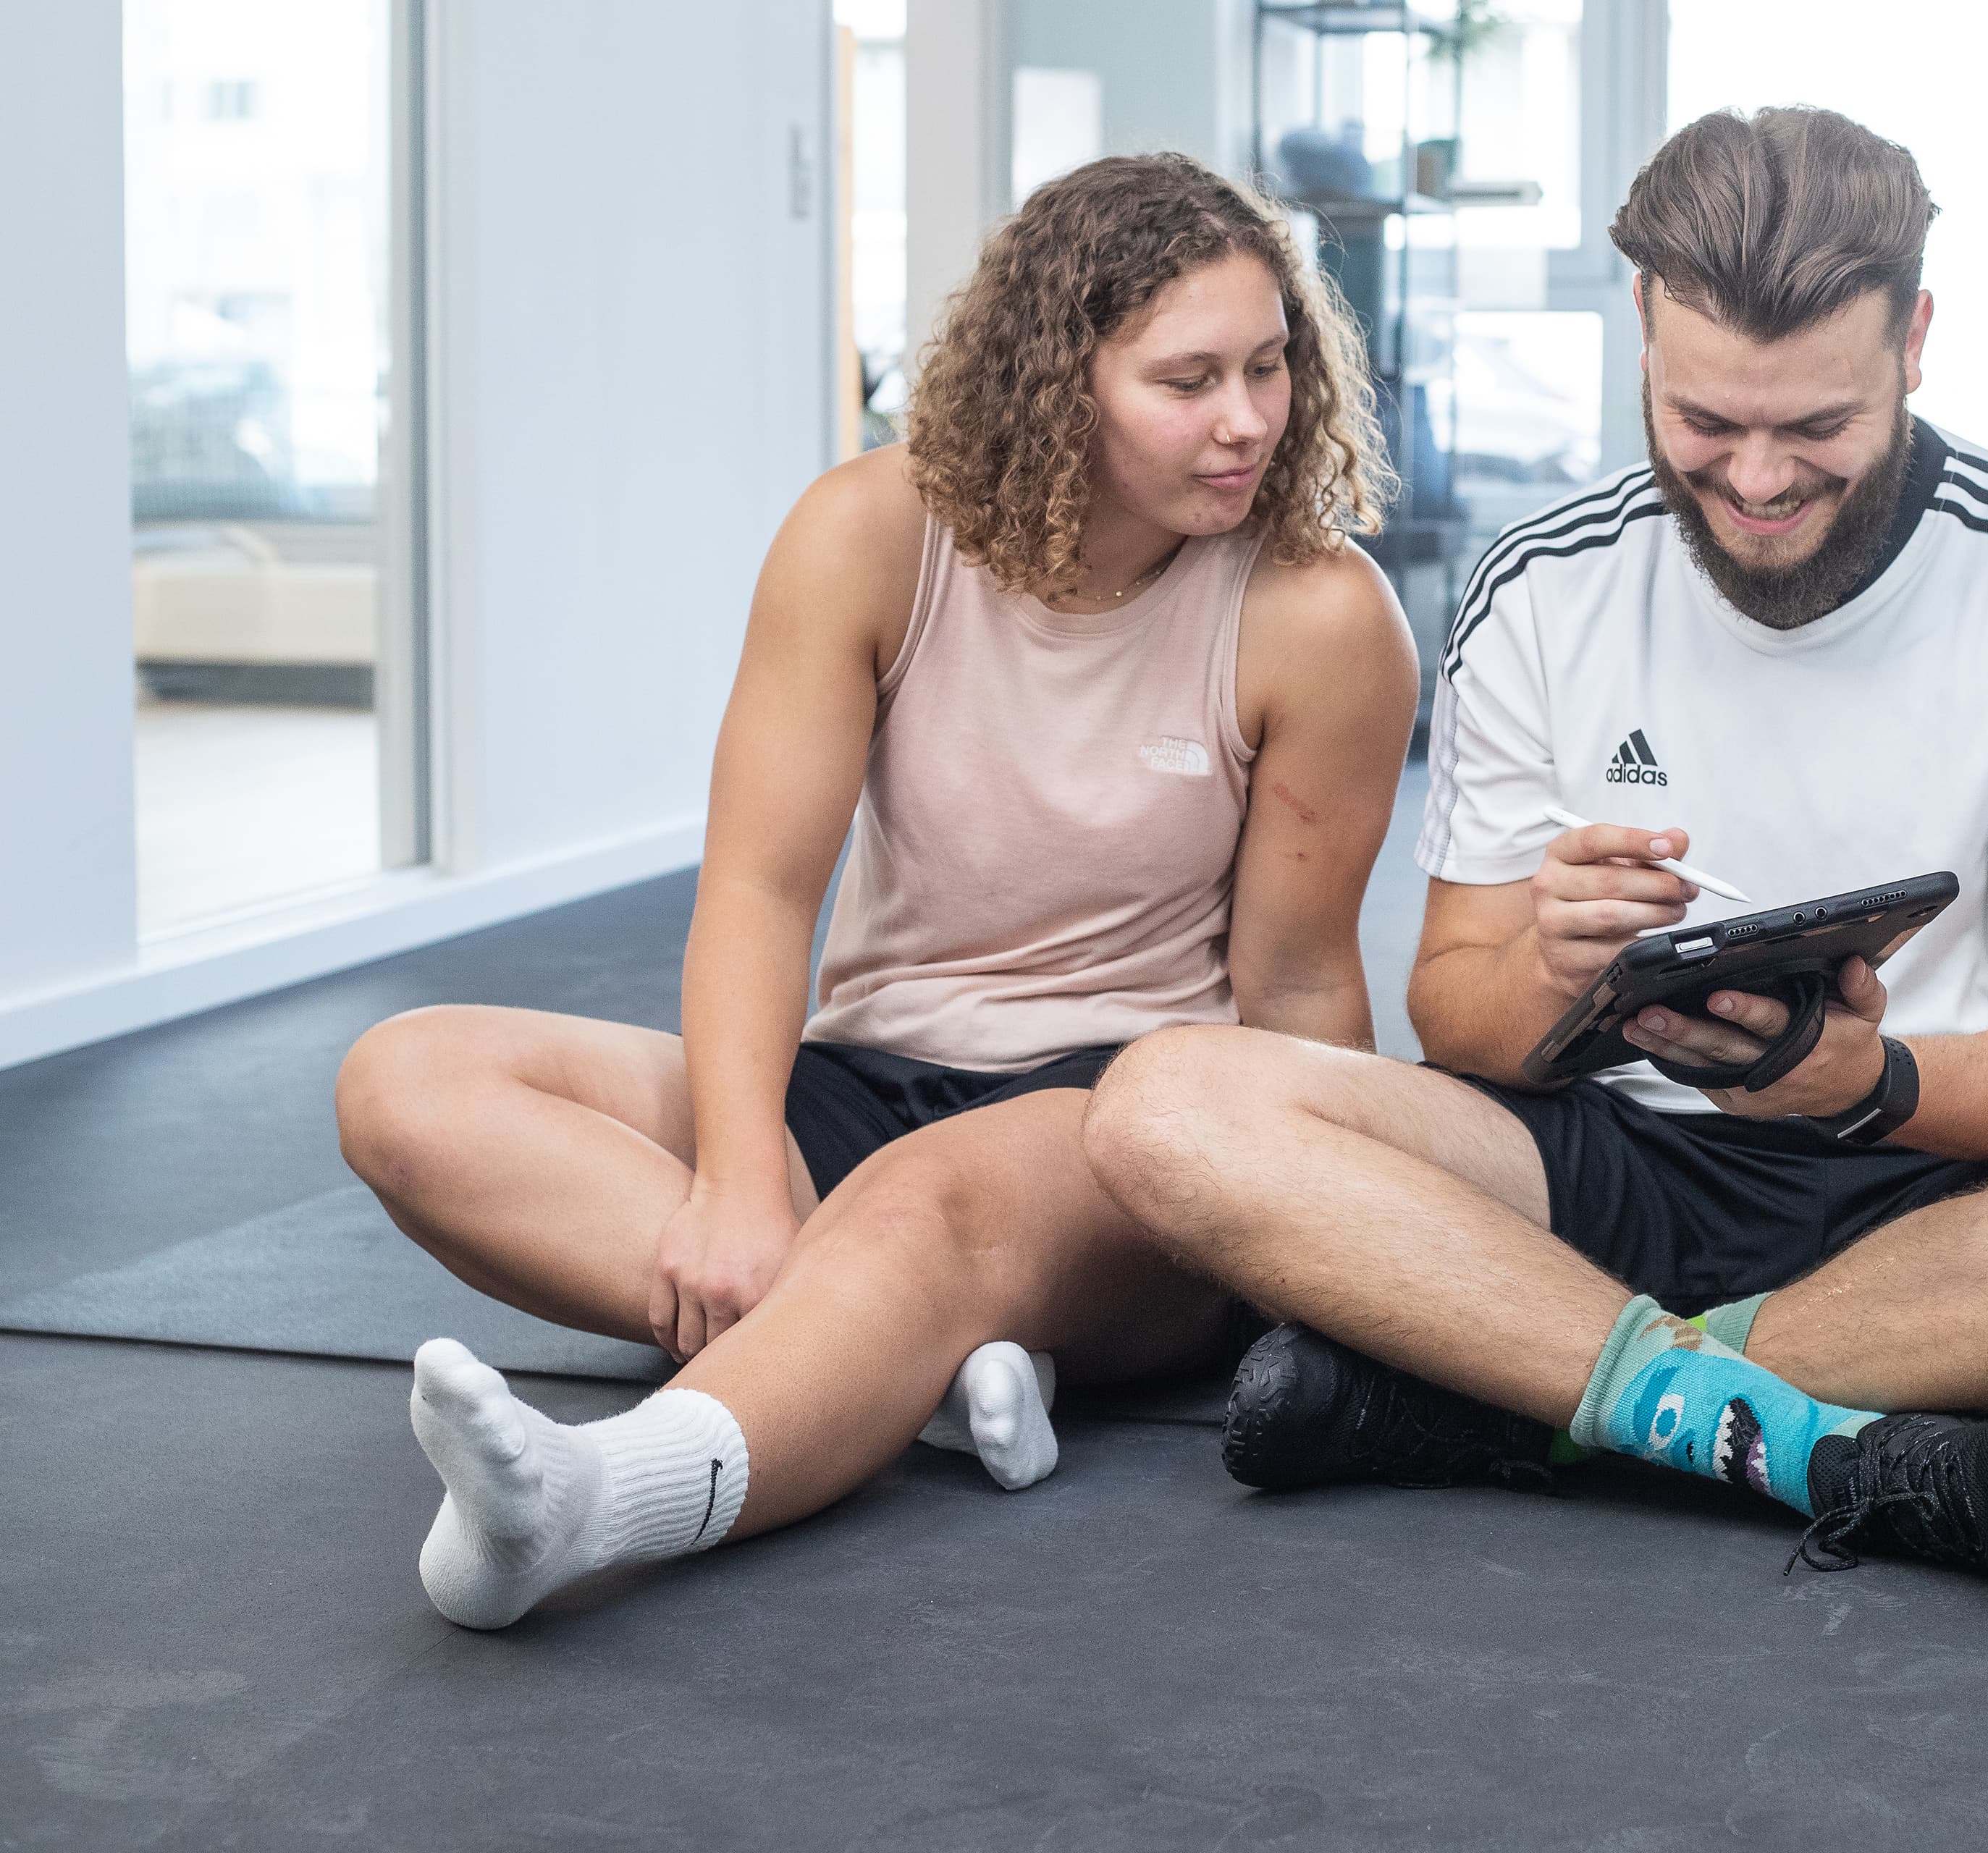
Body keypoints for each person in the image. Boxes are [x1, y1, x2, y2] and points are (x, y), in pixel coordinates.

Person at [1080, 108, 1988, 1600]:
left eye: (1816, 428)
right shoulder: (1540, 584)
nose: (1754, 478)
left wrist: (1870, 1082)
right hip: (1609, 1169)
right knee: (1163, 1102)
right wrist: (1555, 971)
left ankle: (1522, 1393)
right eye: (1703, 422)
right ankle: (1816, 1435)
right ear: (1643, 331)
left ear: (1915, 338)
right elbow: (1457, 1019)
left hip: (1938, 1197)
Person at [332, 153, 1419, 1628]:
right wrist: (730, 1180)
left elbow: (1293, 989)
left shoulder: (1321, 611)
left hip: (1123, 1123)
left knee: (924, 1204)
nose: (1246, 420)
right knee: (407, 1081)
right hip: (859, 1080)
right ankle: (899, 1353)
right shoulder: (870, 536)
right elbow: (764, 891)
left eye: (1272, 366)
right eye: (1189, 380)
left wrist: (1321, 1244)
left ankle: (599, 1499)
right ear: (1061, 384)